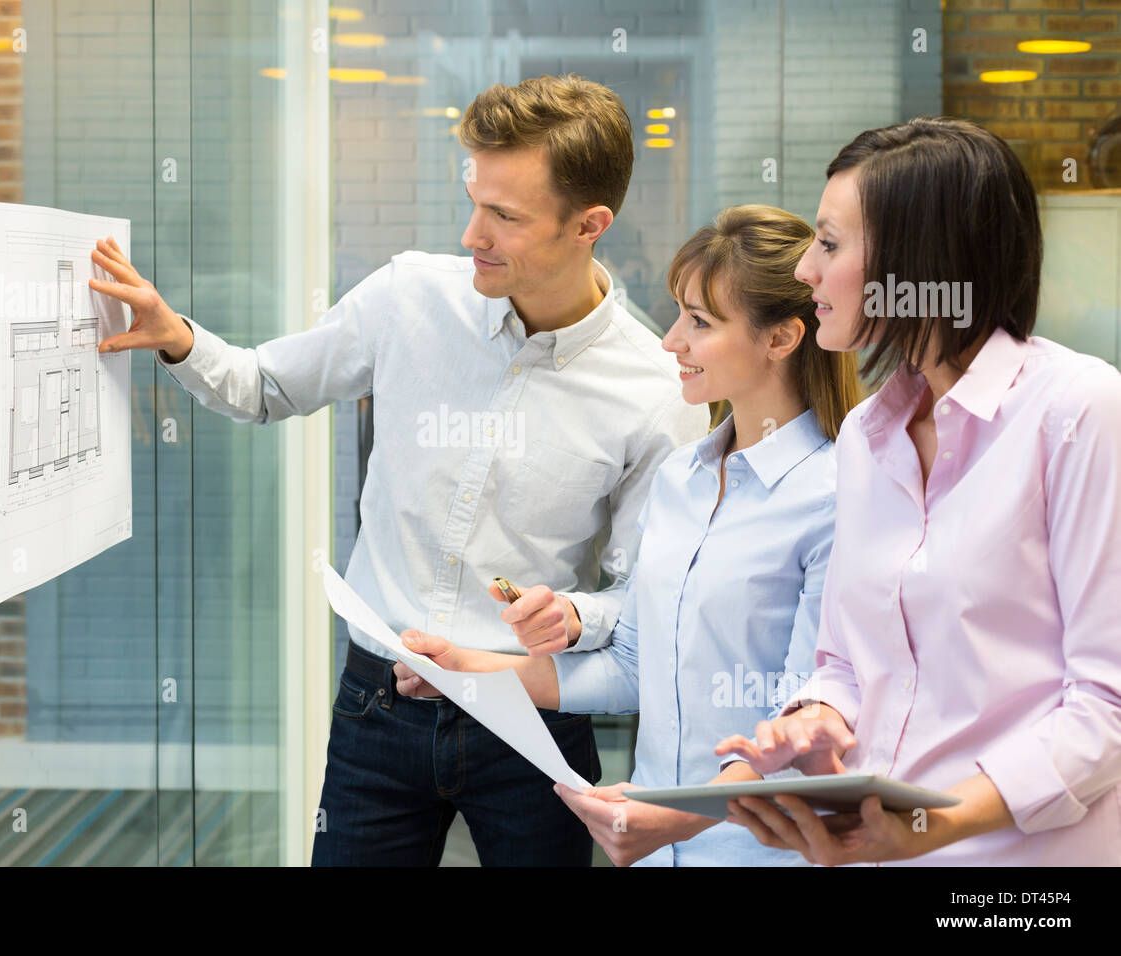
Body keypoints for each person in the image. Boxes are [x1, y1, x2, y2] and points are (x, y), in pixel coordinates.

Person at [86, 74, 709, 866]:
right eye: (473, 197)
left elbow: (638, 603)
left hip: (529, 723)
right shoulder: (408, 297)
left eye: (505, 216)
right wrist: (175, 334)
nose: (471, 233)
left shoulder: (655, 390)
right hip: (377, 710)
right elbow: (266, 387)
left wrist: (577, 618)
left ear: (590, 224)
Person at [395, 205, 862, 866]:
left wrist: (667, 817)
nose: (671, 341)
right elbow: (632, 668)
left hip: (762, 853)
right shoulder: (682, 478)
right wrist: (464, 671)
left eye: (699, 322)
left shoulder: (837, 498)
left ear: (781, 338)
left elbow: (806, 730)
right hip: (650, 848)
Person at [716, 117, 1121, 866]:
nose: (806, 270)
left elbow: (1108, 704)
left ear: (916, 263)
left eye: (831, 245)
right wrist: (813, 720)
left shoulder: (1079, 411)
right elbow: (845, 661)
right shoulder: (870, 435)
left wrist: (937, 824)